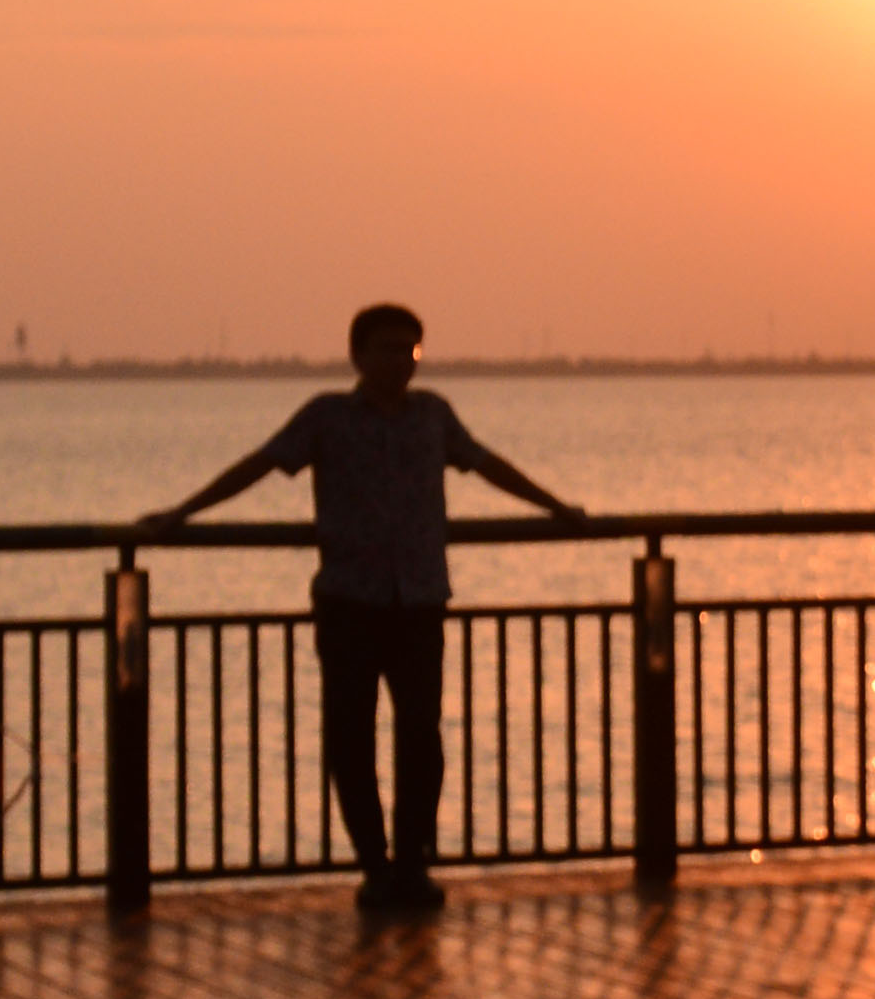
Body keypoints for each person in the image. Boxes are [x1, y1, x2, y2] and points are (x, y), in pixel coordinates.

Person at [145, 306, 581, 916]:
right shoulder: (327, 417)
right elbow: (261, 465)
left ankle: (413, 864)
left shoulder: (433, 414)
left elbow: (485, 464)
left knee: (421, 740)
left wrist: (557, 508)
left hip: (421, 600)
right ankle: (376, 868)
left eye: (411, 351)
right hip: (350, 601)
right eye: (387, 349)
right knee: (351, 738)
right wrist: (179, 515)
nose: (400, 361)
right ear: (357, 355)